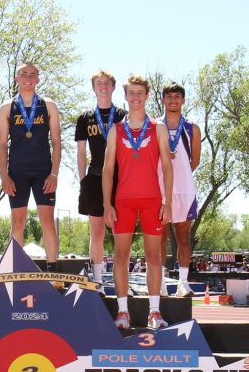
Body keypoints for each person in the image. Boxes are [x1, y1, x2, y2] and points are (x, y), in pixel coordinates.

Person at [102, 74, 173, 330]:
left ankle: (154, 312)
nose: (135, 97)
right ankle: (123, 312)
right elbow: (108, 169)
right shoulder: (116, 130)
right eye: (131, 93)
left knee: (154, 256)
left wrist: (167, 201)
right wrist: (107, 205)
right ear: (125, 96)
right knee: (121, 256)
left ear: (147, 96)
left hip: (152, 199)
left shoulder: (158, 128)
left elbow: (167, 166)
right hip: (123, 200)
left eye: (140, 93)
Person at [0, 62, 61, 270]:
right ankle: (15, 270)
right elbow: (2, 144)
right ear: (16, 78)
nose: (28, 78)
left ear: (38, 79)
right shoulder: (7, 107)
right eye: (24, 74)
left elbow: (56, 142)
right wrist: (4, 176)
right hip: (17, 172)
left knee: (47, 221)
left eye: (33, 74)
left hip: (44, 172)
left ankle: (53, 270)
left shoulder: (48, 105)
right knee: (17, 222)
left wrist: (54, 174)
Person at [75, 70, 127, 288]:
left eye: (107, 83)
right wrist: (83, 180)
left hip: (120, 180)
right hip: (94, 178)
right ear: (93, 88)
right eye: (99, 83)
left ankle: (122, 281)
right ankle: (97, 281)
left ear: (113, 87)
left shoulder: (123, 116)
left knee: (120, 233)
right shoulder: (84, 118)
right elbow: (81, 152)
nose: (103, 86)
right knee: (96, 233)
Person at [156, 83, 201, 298]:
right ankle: (160, 283)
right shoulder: (154, 126)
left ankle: (183, 283)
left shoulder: (192, 128)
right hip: (160, 190)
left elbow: (195, 161)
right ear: (163, 100)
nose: (173, 100)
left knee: (183, 237)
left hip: (184, 190)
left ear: (183, 100)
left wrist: (179, 176)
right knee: (159, 237)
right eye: (169, 96)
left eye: (177, 96)